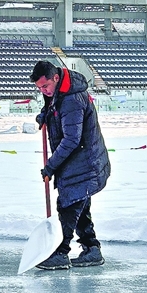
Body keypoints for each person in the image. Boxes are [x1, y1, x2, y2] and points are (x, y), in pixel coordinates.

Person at [30, 60, 111, 270]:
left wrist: (50, 166)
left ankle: (60, 252)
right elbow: (53, 107)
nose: (43, 91)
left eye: (45, 86)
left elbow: (71, 140)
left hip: (84, 159)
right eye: (39, 88)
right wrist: (43, 116)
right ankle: (92, 249)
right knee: (79, 204)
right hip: (80, 158)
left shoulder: (72, 98)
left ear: (55, 78)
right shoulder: (60, 90)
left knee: (68, 205)